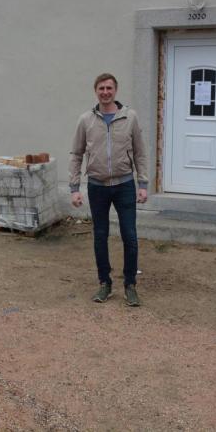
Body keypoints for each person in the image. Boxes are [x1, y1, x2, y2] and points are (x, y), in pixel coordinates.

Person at [69, 73, 149, 306]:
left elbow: (140, 152)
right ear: (96, 91)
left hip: (124, 185)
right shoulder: (86, 120)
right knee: (100, 236)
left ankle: (130, 284)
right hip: (97, 187)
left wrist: (142, 184)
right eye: (101, 88)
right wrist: (74, 187)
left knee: (130, 236)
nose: (105, 92)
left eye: (109, 88)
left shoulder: (129, 117)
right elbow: (76, 154)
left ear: (116, 90)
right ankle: (105, 283)